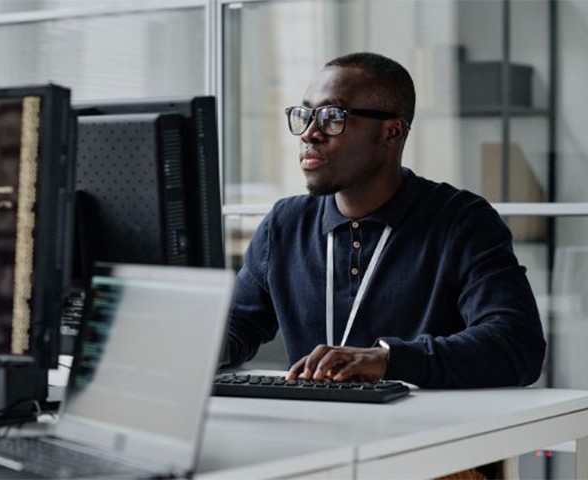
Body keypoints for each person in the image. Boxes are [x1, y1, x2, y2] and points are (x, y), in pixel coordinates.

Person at [224, 52, 546, 389]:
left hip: (426, 435)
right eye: (305, 114)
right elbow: (236, 328)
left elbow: (516, 345)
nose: (310, 133)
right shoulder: (285, 224)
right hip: (315, 430)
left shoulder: (461, 221)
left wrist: (389, 360)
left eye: (333, 116)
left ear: (391, 132)